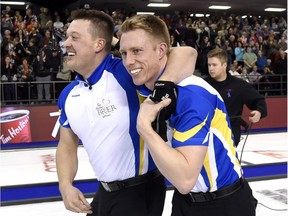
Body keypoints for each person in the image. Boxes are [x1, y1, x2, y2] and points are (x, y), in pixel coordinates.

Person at [56, 9, 197, 216]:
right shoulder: (69, 94)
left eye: (74, 38)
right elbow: (66, 143)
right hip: (104, 191)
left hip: (139, 192)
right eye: (67, 37)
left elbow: (187, 53)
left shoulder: (126, 72)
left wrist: (164, 83)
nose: (65, 43)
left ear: (99, 44)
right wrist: (65, 185)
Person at [119, 14, 258, 216]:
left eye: (137, 51)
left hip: (225, 204)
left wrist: (144, 127)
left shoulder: (192, 95)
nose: (128, 61)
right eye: (123, 53)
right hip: (185, 202)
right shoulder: (146, 84)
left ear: (161, 51)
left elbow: (185, 180)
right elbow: (186, 53)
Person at [204, 48, 267, 146]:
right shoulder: (202, 85)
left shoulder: (239, 85)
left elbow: (259, 101)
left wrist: (259, 112)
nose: (211, 68)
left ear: (224, 65)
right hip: (206, 137)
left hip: (230, 137)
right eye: (209, 65)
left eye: (214, 65)